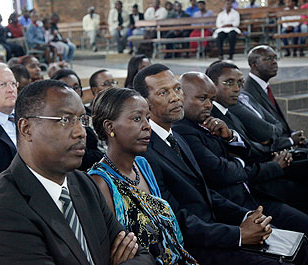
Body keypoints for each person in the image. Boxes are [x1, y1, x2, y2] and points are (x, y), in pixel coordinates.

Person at [0, 79, 155, 265]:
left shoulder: (83, 184)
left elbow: (143, 256)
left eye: (81, 120)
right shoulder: (1, 216)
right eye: (65, 120)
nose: (81, 132)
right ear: (26, 128)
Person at [132, 64, 295, 265]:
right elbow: (176, 219)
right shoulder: (145, 151)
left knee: (299, 246)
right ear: (145, 102)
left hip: (218, 227)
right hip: (193, 248)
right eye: (163, 92)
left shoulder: (175, 136)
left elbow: (206, 192)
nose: (175, 97)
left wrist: (246, 215)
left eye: (177, 88)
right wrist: (239, 235)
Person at [174, 71, 308, 232]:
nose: (209, 105)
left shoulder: (209, 121)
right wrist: (239, 162)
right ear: (180, 97)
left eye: (211, 99)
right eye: (202, 99)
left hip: (252, 192)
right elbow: (222, 172)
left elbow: (249, 151)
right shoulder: (183, 130)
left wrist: (230, 137)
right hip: (235, 205)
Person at [88, 87, 198, 264]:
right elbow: (114, 253)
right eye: (137, 119)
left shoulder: (143, 165)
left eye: (147, 117)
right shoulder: (100, 182)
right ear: (110, 127)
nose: (147, 126)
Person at [206, 60, 308, 214]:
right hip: (254, 185)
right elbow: (250, 152)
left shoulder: (229, 110)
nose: (236, 89)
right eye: (229, 82)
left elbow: (271, 129)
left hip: (266, 165)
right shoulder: (213, 119)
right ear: (211, 85)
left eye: (240, 83)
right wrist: (275, 163)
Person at [243, 45, 306, 148]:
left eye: (275, 58)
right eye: (268, 59)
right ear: (254, 64)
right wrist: (290, 141)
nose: (274, 62)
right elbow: (261, 132)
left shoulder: (263, 86)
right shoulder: (248, 92)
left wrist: (294, 135)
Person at [51, 69, 104, 171]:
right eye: (66, 88)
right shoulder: (57, 121)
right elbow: (84, 157)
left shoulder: (92, 113)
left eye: (76, 87)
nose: (73, 92)